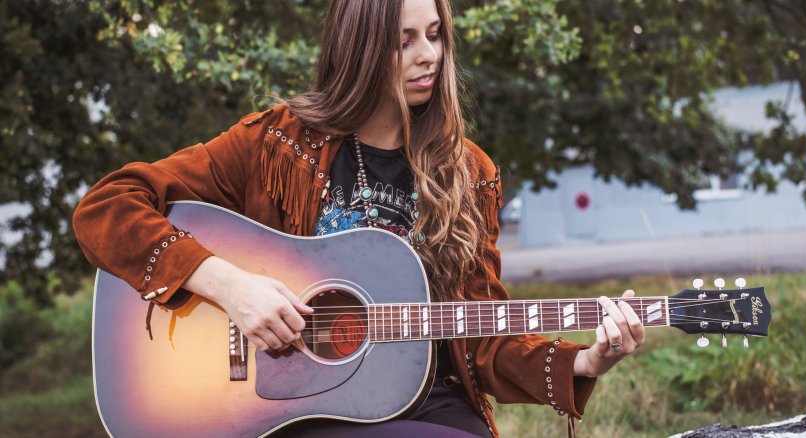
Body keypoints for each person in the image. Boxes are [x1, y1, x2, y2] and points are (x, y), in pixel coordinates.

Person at [72, 0, 646, 436]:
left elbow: (482, 342)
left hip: (421, 402)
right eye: (405, 42)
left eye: (435, 34)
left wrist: (589, 358)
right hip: (293, 406)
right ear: (362, 48)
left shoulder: (467, 172)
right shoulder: (277, 144)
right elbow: (106, 206)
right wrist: (229, 285)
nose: (430, 55)